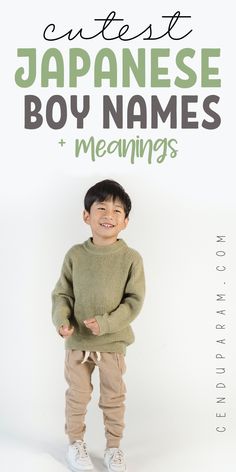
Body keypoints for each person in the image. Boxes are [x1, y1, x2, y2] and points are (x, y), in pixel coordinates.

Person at [52, 179, 145, 472]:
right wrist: (62, 320)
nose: (108, 215)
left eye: (117, 211)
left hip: (112, 344)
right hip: (78, 343)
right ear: (86, 216)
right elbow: (62, 293)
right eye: (101, 207)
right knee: (77, 396)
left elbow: (134, 301)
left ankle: (113, 448)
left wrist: (105, 324)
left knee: (113, 398)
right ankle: (75, 444)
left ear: (126, 221)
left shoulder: (131, 258)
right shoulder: (75, 255)